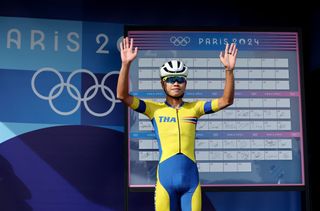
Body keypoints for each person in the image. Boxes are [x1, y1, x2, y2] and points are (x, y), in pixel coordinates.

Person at [117, 37, 238, 211]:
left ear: (185, 83)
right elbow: (122, 96)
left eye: (180, 79)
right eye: (170, 78)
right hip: (166, 182)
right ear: (162, 83)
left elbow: (226, 100)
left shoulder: (194, 108)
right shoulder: (154, 109)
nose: (175, 83)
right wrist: (126, 64)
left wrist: (229, 70)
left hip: (191, 183)